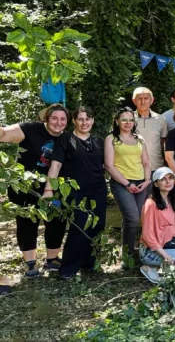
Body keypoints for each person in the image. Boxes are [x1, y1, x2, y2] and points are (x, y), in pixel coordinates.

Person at [0, 104, 69, 277]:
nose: (58, 123)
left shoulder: (67, 138)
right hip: (25, 188)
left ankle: (52, 260)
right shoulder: (30, 129)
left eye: (63, 119)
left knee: (56, 222)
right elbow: (5, 134)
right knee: (26, 224)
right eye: (54, 118)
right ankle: (30, 264)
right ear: (46, 118)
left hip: (55, 188)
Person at [45, 107, 106, 279]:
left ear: (93, 121)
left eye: (88, 119)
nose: (84, 122)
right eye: (80, 119)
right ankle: (69, 269)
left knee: (97, 225)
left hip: (98, 189)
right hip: (74, 190)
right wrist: (49, 189)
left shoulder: (98, 141)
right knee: (79, 226)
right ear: (74, 121)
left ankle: (89, 262)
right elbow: (55, 165)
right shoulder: (66, 139)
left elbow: (106, 165)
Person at [104, 107, 152, 267]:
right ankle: (128, 257)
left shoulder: (139, 139)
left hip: (141, 183)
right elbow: (109, 166)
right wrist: (127, 184)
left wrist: (147, 180)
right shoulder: (111, 139)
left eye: (131, 120)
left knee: (133, 220)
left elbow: (146, 162)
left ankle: (131, 252)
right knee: (131, 218)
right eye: (124, 119)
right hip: (121, 183)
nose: (128, 123)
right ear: (117, 121)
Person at [132, 87, 168, 174]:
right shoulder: (128, 119)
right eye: (139, 98)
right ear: (134, 101)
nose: (143, 101)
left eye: (146, 98)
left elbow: (163, 143)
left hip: (156, 166)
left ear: (151, 100)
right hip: (134, 167)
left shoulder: (160, 119)